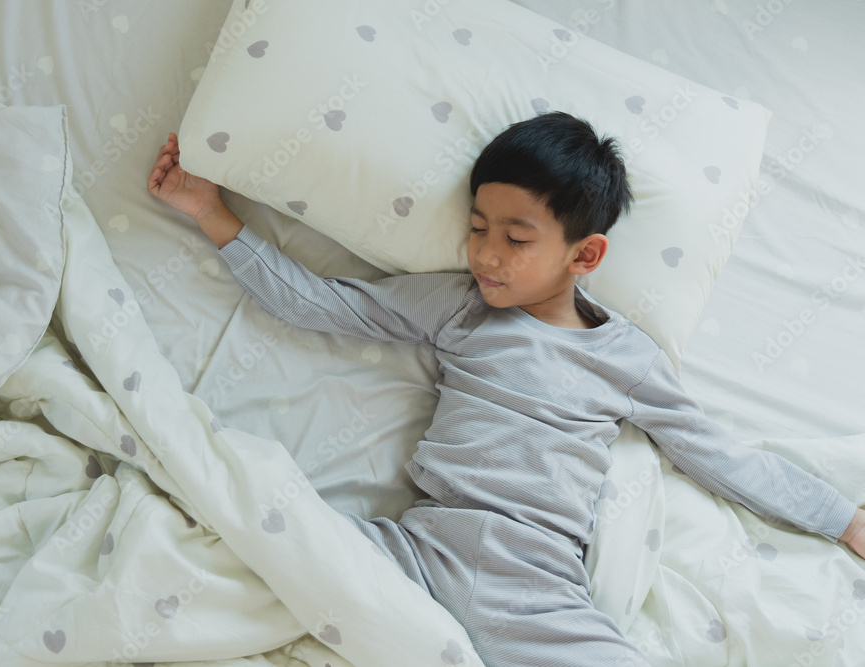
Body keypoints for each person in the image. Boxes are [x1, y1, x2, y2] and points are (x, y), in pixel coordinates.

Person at [148, 113, 865, 667]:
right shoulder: (461, 306)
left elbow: (718, 453)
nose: (485, 253)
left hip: (535, 580)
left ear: (584, 254)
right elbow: (325, 305)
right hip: (420, 545)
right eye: (477, 227)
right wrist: (211, 213)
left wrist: (840, 517)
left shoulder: (625, 357)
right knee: (245, 537)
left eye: (515, 239)